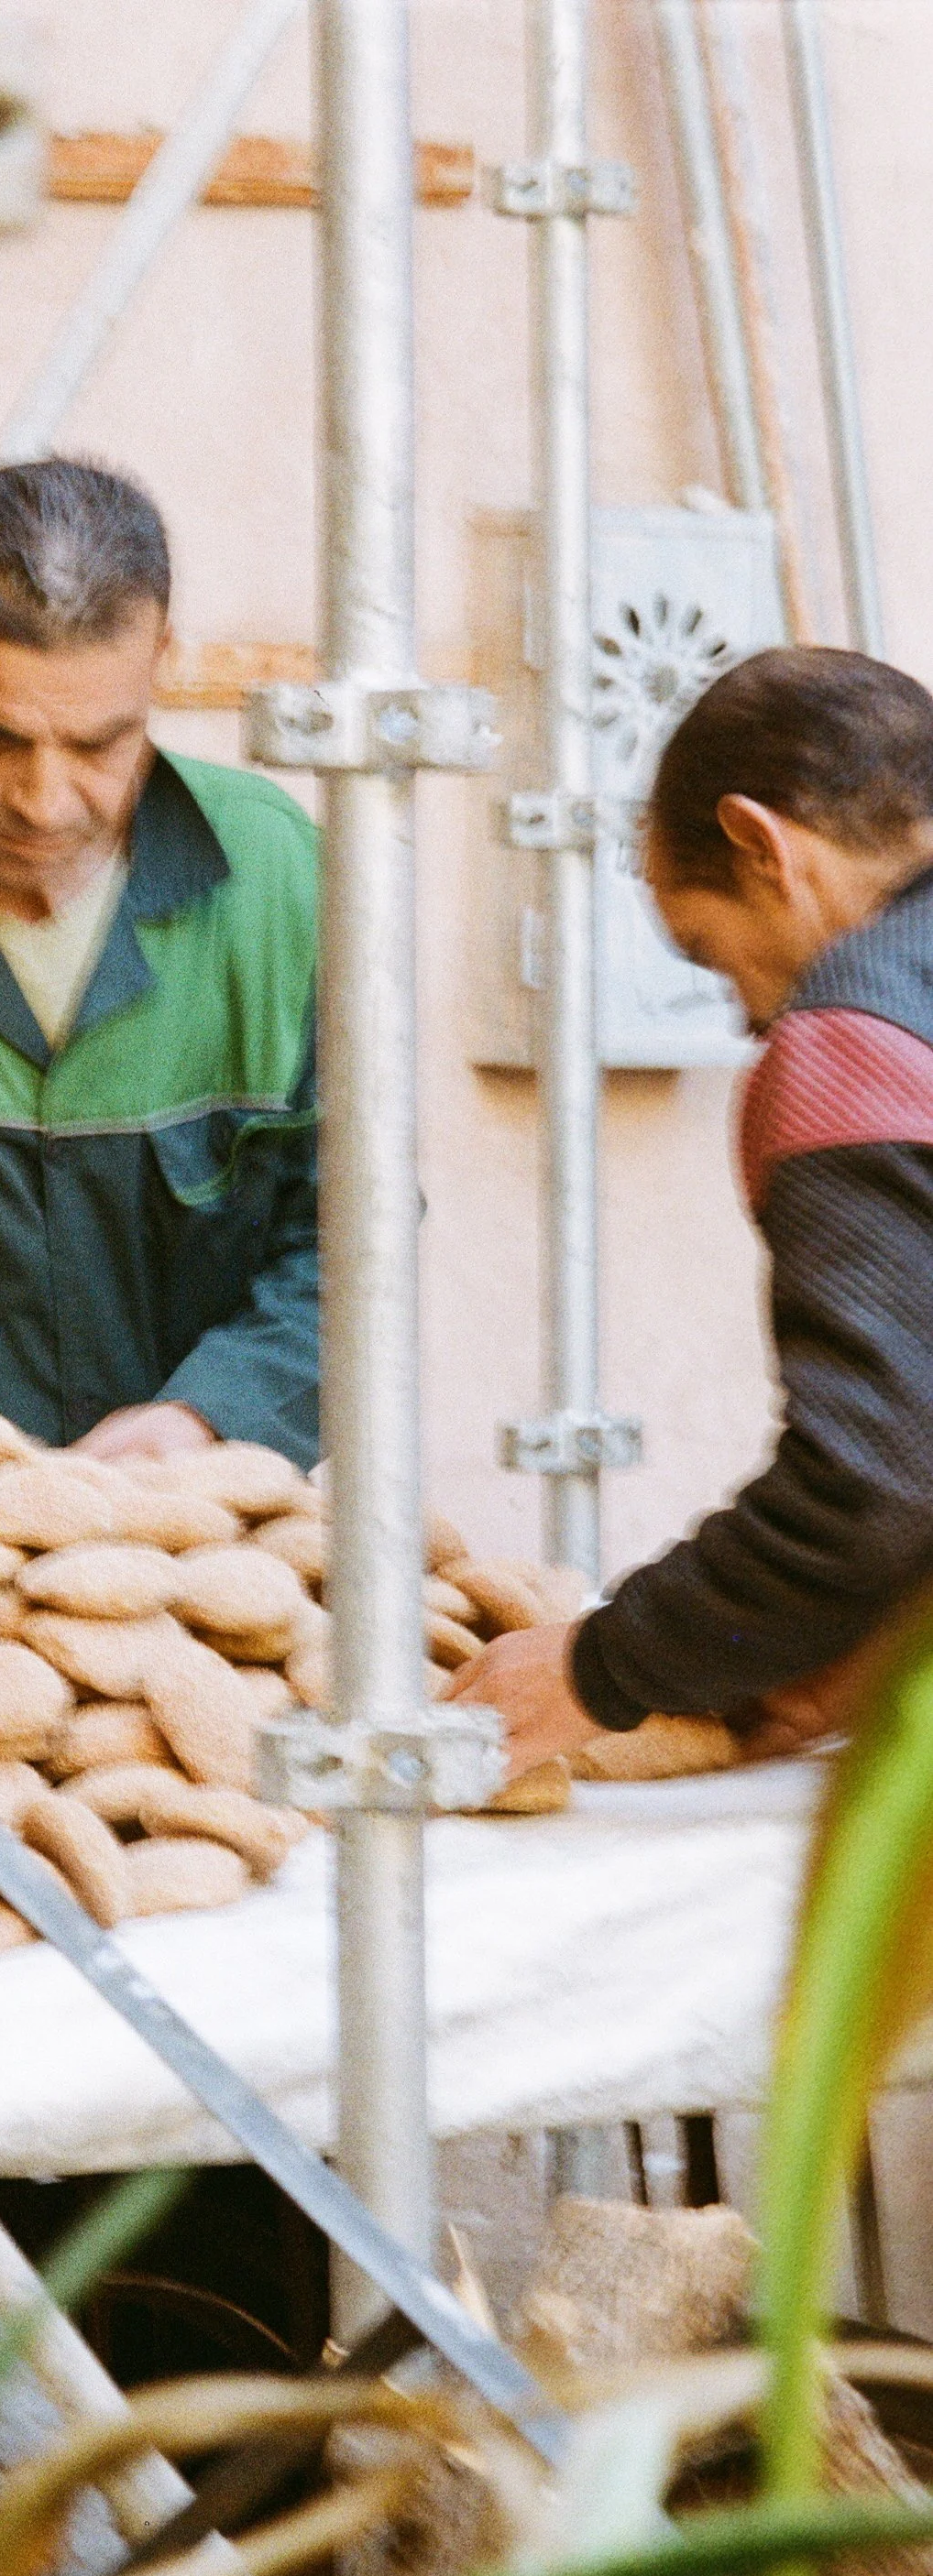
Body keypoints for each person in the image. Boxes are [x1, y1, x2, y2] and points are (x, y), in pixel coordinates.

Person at [452, 647, 933, 1774]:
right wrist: (844, 1640)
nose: (746, 1021)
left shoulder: (849, 1048)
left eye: (712, 958)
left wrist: (599, 1669)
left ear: (762, 847)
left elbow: (865, 1485)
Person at [0, 458, 322, 1467]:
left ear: (162, 663)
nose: (42, 801)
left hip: (190, 1568)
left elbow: (352, 1244)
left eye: (99, 744)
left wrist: (209, 1414)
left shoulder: (276, 879)